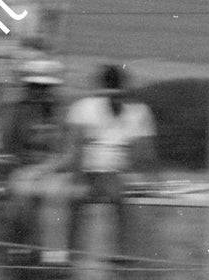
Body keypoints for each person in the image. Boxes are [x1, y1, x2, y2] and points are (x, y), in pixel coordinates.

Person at [63, 63, 155, 264]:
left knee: (126, 196)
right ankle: (74, 257)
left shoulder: (137, 112)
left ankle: (119, 256)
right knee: (75, 198)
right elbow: (75, 151)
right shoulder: (84, 109)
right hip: (92, 174)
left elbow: (143, 155)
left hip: (117, 175)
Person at [1, 57, 68, 266]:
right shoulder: (16, 112)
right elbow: (9, 146)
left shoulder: (62, 112)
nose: (40, 91)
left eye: (45, 87)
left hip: (55, 169)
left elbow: (67, 151)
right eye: (35, 86)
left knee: (55, 194)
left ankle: (54, 257)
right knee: (21, 193)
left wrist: (45, 169)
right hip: (24, 168)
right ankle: (20, 249)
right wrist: (25, 168)